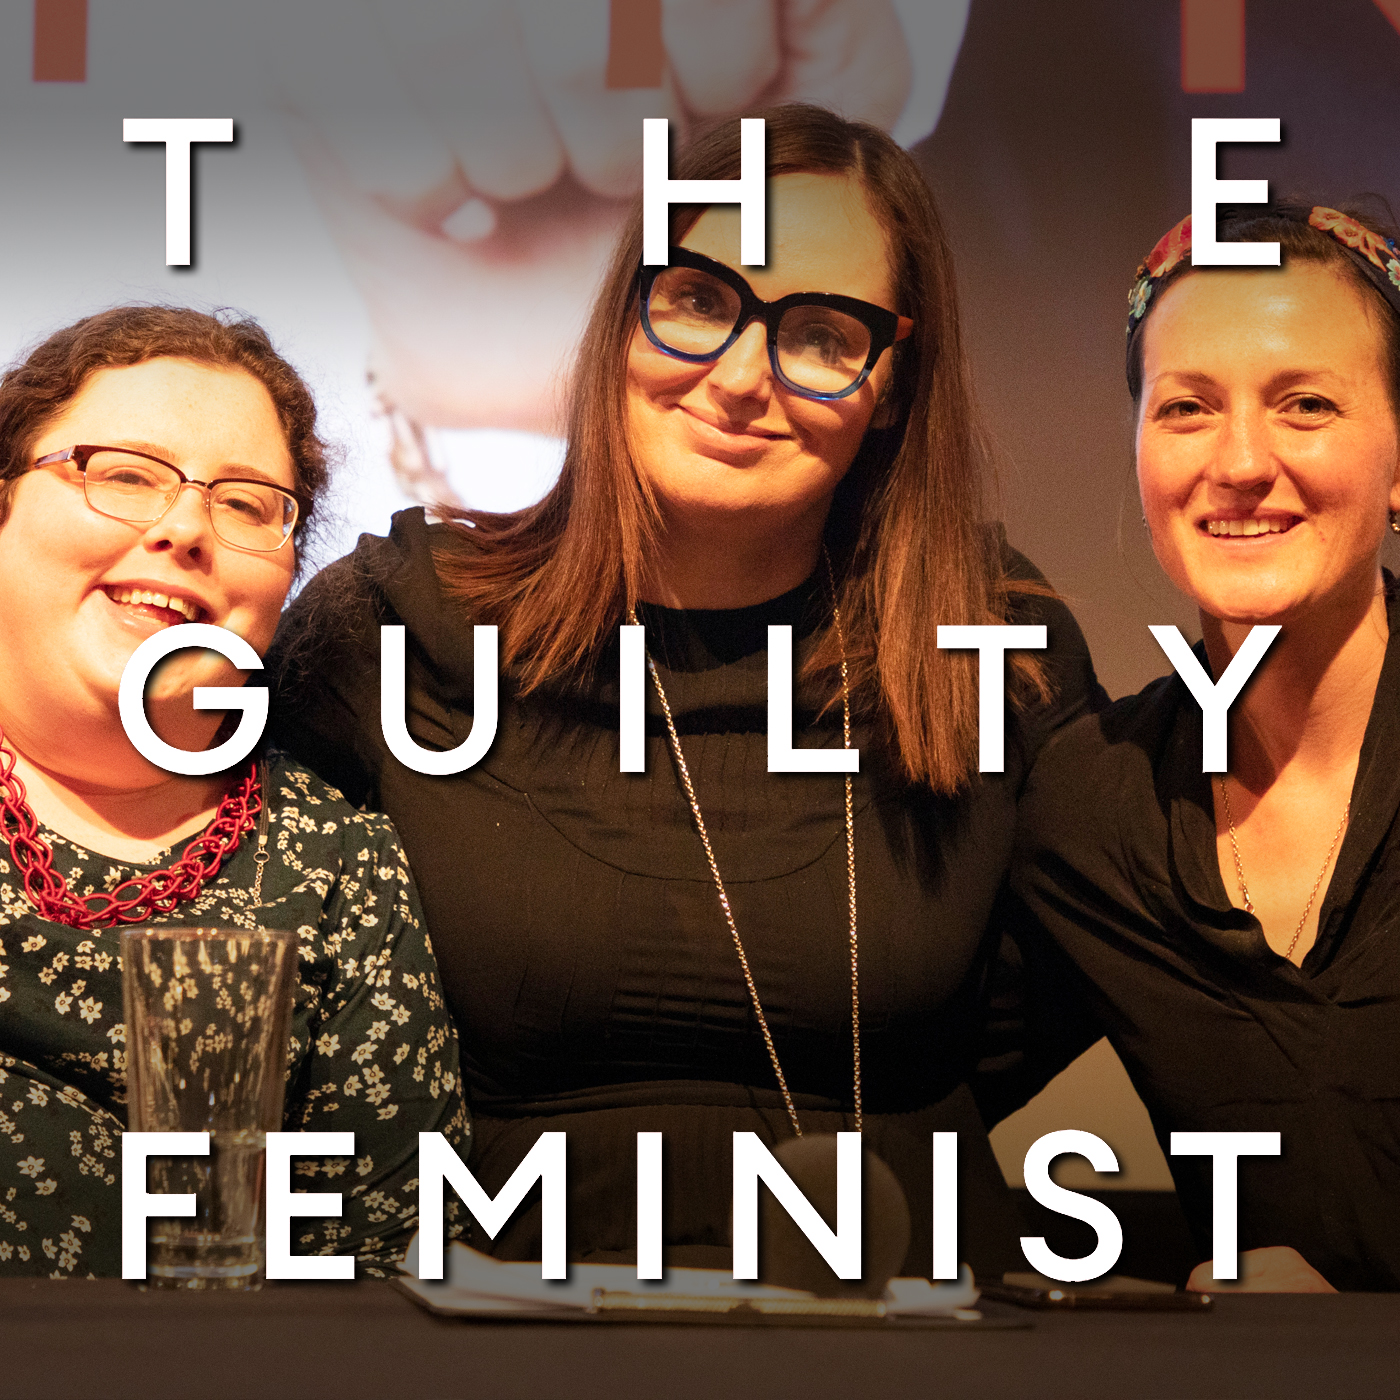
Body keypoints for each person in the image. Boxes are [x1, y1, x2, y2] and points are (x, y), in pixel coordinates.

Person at [270, 104, 1104, 1279]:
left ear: (891, 383)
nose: (741, 377)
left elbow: (1077, 982)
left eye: (820, 333)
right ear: (626, 312)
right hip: (504, 1327)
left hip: (901, 1329)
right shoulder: (392, 626)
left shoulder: (993, 641)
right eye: (702, 301)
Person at [0, 306, 469, 1278]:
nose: (183, 528)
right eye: (124, 474)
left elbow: (398, 1259)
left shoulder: (337, 866)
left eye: (249, 504)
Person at [1011, 202, 1400, 1291]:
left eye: (1306, 404)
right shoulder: (1093, 807)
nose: (1238, 461)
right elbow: (896, 1077)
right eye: (1185, 408)